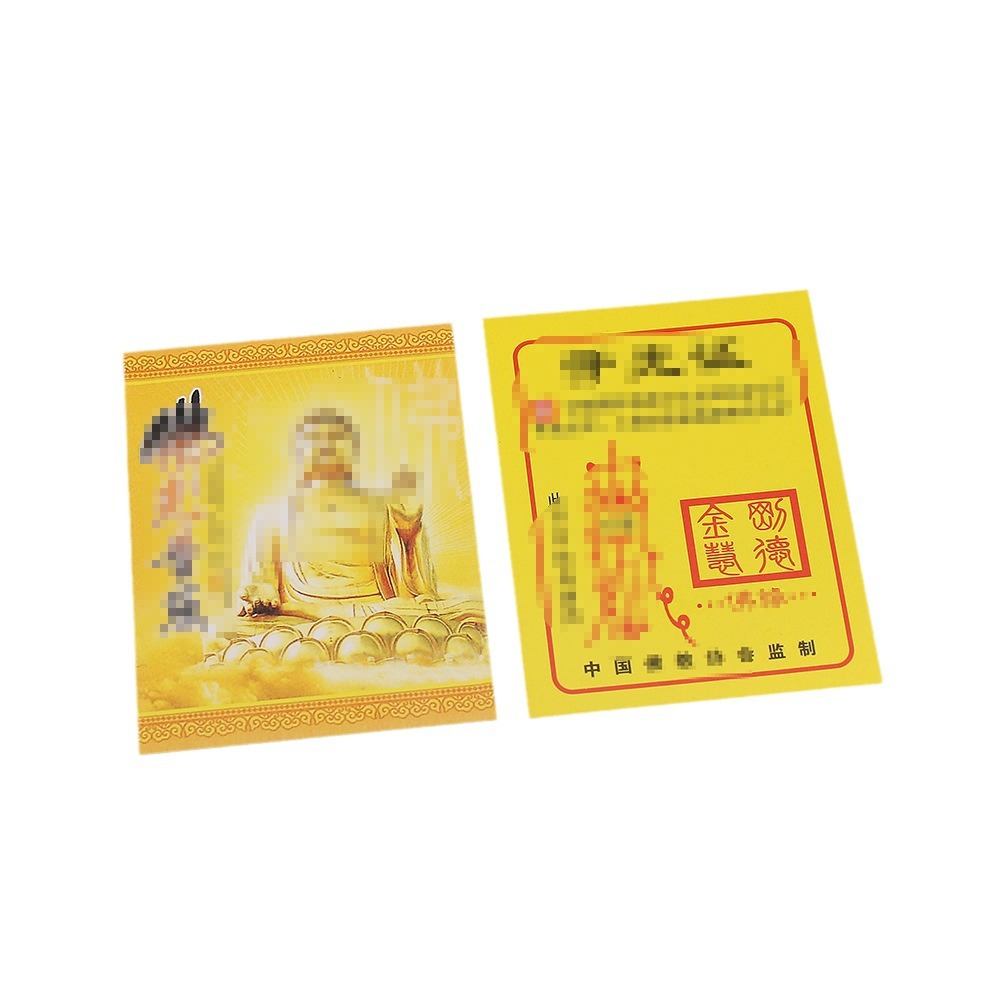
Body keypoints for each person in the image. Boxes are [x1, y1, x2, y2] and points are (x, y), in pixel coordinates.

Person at [238, 408, 436, 620]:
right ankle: (312, 613)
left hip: (379, 614)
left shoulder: (387, 510)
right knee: (244, 628)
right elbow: (261, 584)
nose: (326, 454)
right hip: (297, 621)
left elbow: (419, 595)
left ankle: (319, 614)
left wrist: (409, 538)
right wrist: (262, 590)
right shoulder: (271, 515)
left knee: (453, 609)